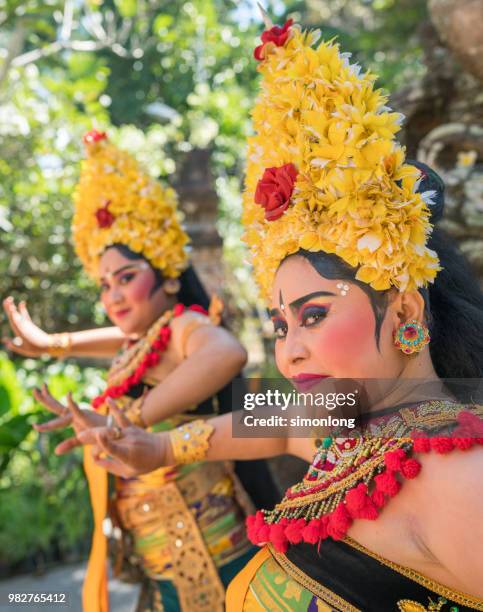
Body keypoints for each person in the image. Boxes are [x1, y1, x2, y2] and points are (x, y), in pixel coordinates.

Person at [73, 19, 483, 611]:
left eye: (314, 315)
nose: (288, 350)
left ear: (406, 309)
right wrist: (154, 448)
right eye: (280, 324)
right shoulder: (345, 424)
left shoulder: (457, 476)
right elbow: (254, 421)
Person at [2, 130, 279, 612]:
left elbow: (227, 354)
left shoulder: (188, 326)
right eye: (104, 283)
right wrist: (56, 345)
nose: (111, 296)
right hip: (159, 560)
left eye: (126, 279)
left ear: (169, 276)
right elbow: (127, 339)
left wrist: (128, 420)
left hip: (214, 554)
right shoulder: (144, 340)